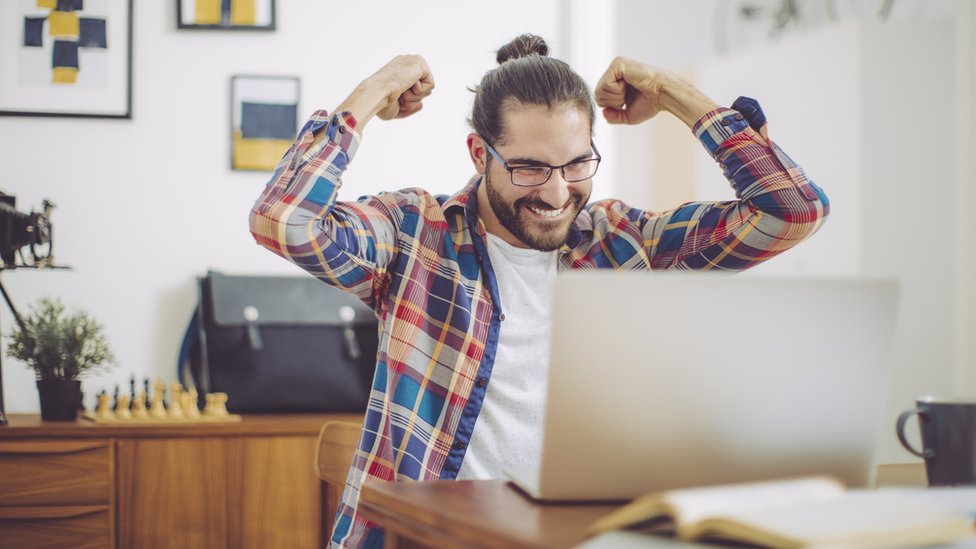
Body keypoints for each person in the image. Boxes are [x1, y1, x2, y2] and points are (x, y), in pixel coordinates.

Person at [250, 34, 828, 549]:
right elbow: (282, 219)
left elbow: (791, 211)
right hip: (427, 539)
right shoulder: (412, 234)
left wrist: (667, 87)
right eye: (529, 168)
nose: (556, 194)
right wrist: (372, 94)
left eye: (576, 165)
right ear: (480, 155)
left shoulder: (626, 243)